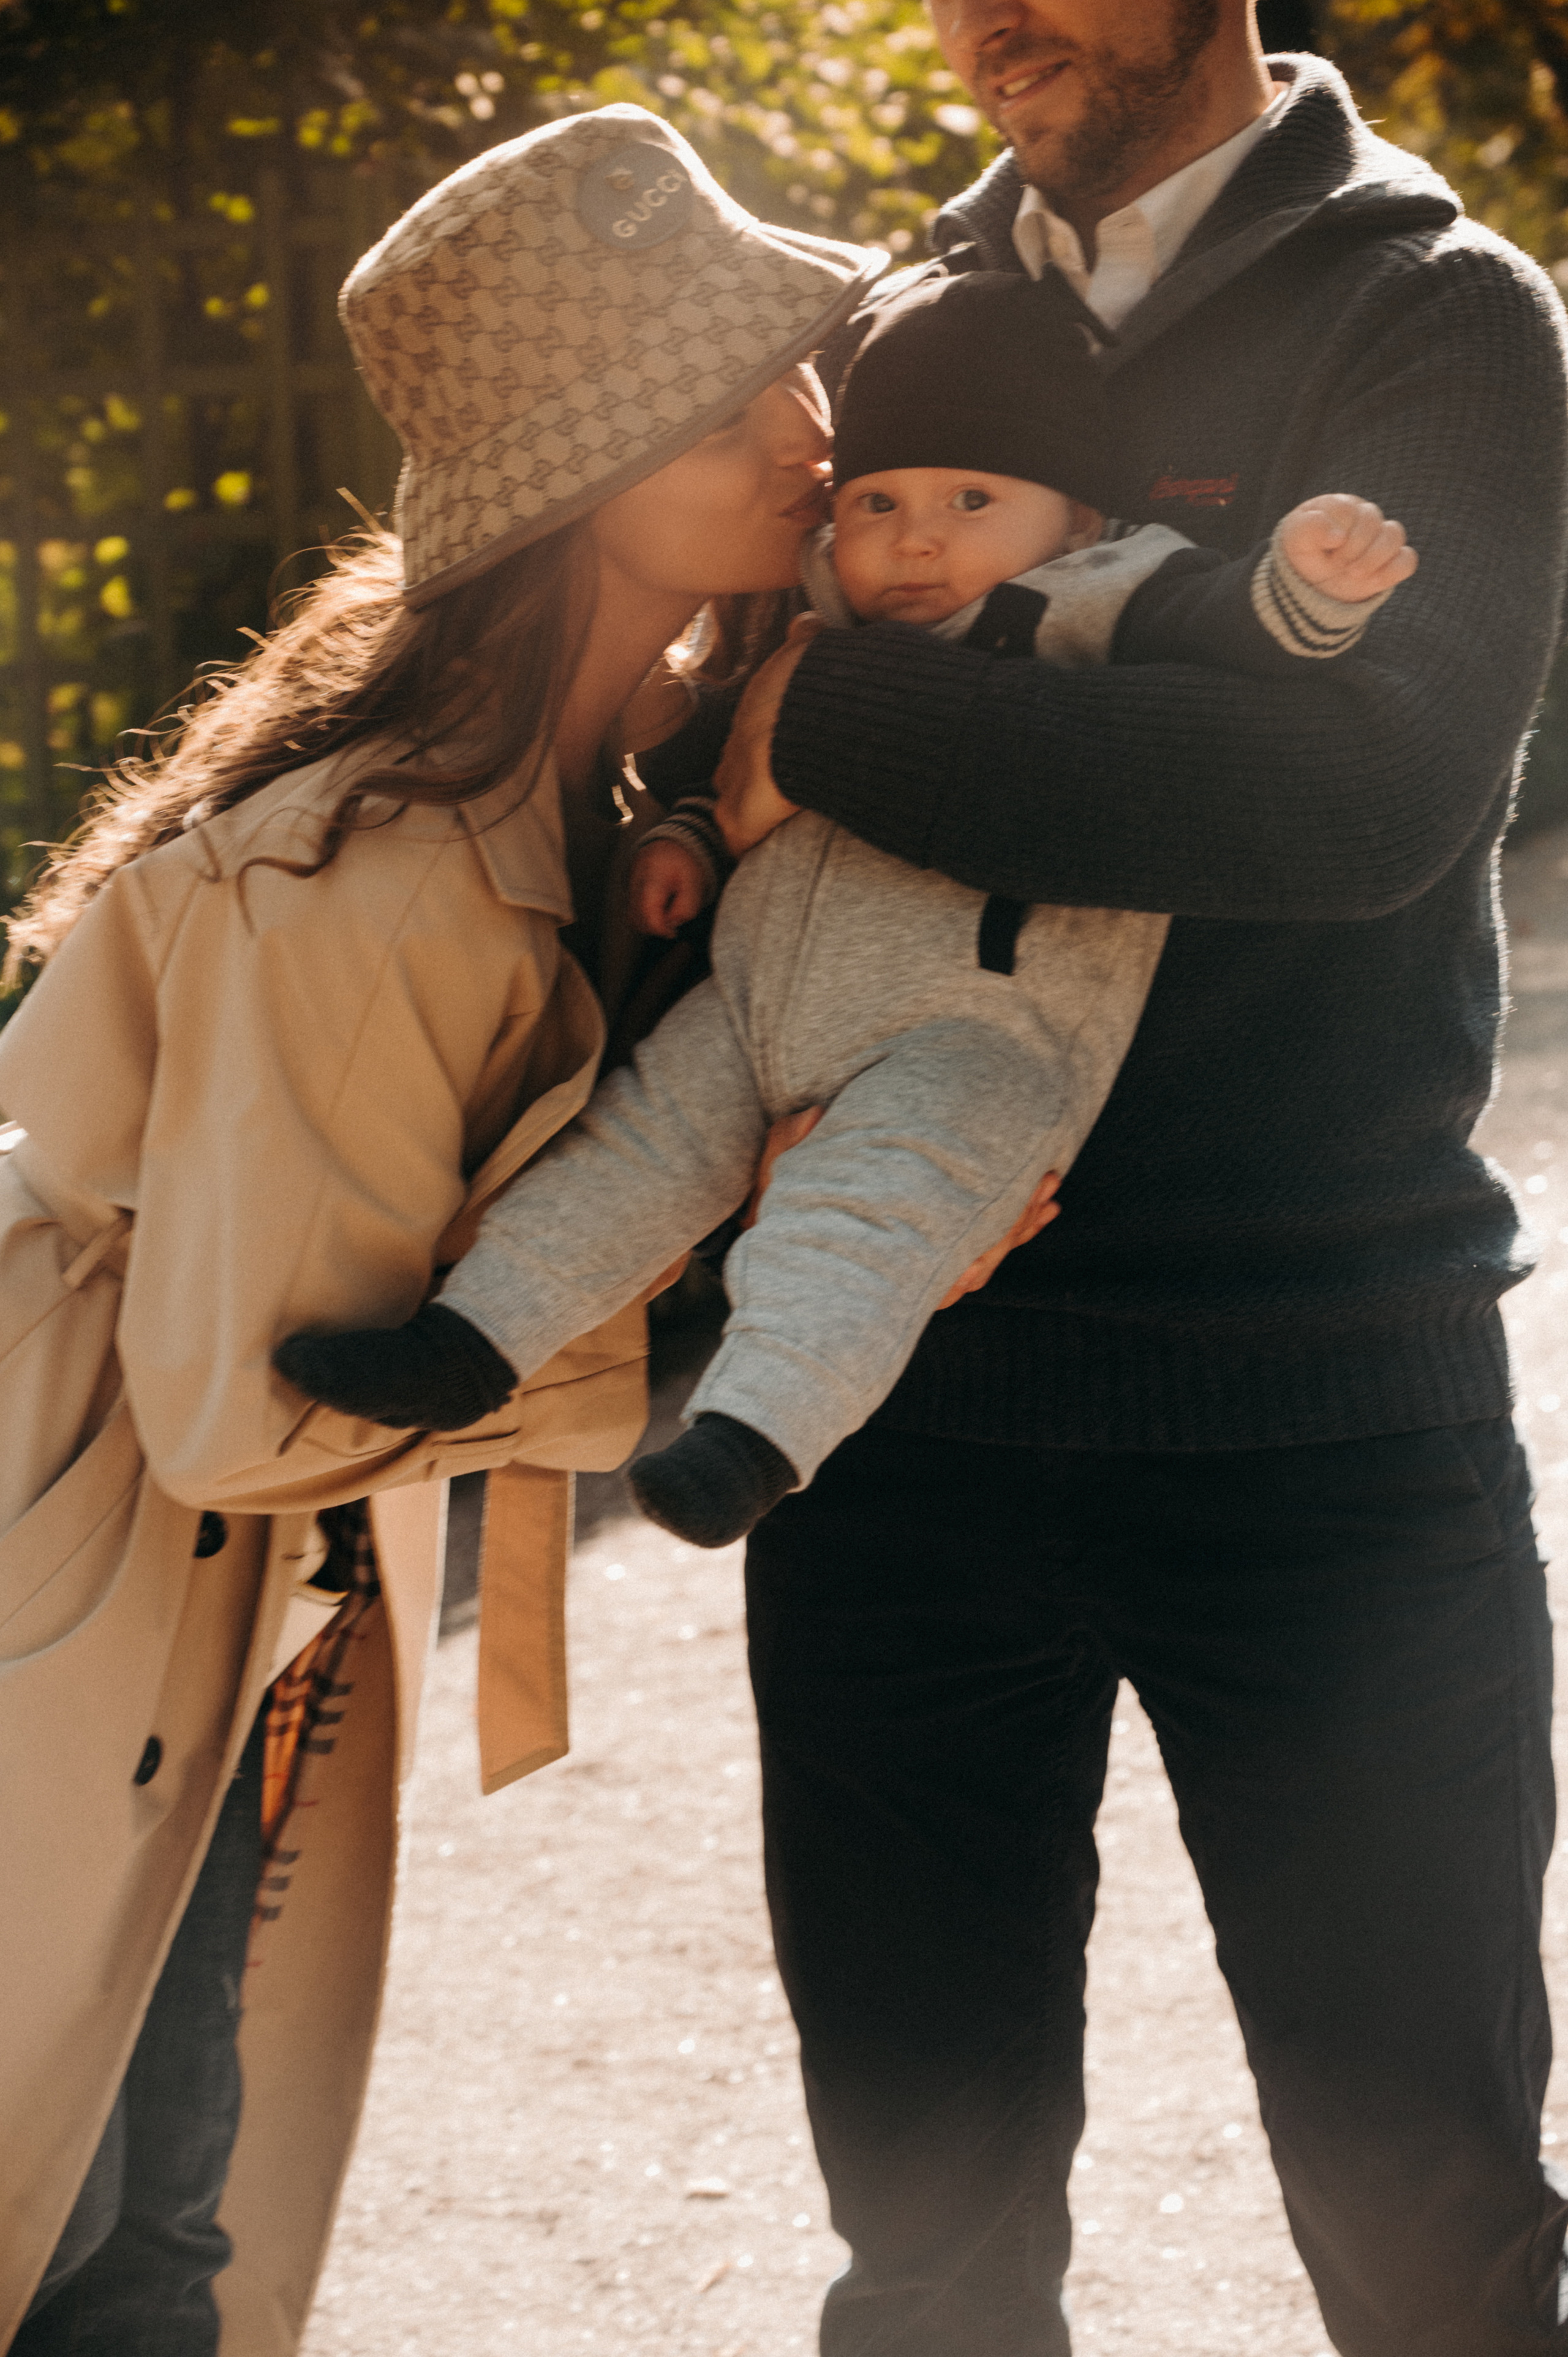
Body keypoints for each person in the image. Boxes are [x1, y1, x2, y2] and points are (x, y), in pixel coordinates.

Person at [674, 7, 1568, 2354]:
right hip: (905, 1430)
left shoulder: (1438, 313)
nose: (981, 21)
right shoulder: (883, 314)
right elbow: (695, 764)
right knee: (932, 2265)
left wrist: (850, 718)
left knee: (1440, 2236)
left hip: (1330, 1419)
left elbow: (1357, 804)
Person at [0, 104, 881, 2353]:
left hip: (174, 1555)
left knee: (155, 2198)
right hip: (85, 1531)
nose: (807, 428)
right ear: (586, 486)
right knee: (94, 2219)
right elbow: (241, 1410)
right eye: (722, 402)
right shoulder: (385, 879)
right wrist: (702, 1331)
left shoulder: (579, 774)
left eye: (794, 367)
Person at [277, 265, 1417, 1557]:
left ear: (1076, 513)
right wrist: (691, 838)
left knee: (862, 1219)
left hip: (970, 1035)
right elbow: (737, 773)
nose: (916, 538)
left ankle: (751, 1438)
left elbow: (1238, 629)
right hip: (761, 1006)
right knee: (630, 1154)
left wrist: (1314, 589)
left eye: (970, 502)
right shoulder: (820, 615)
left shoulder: (1108, 595)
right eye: (877, 503)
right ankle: (466, 1344)